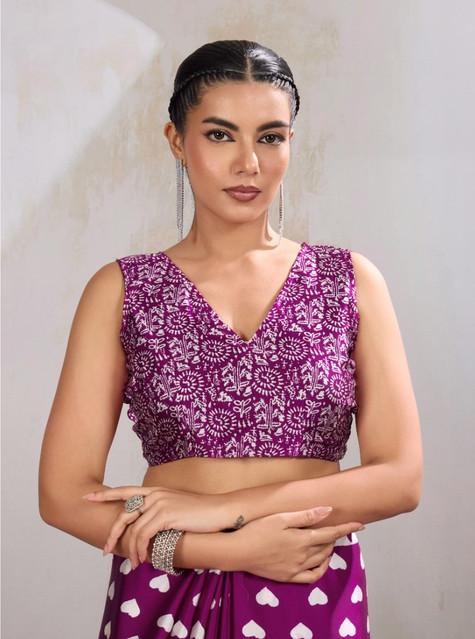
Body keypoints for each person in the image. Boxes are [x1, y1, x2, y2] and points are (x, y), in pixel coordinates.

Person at [38, 39, 423, 639]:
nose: (249, 163)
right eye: (220, 135)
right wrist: (222, 548)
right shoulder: (122, 290)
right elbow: (64, 495)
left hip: (309, 579)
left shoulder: (348, 280)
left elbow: (401, 478)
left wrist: (222, 510)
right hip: (166, 586)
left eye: (271, 137)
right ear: (176, 140)